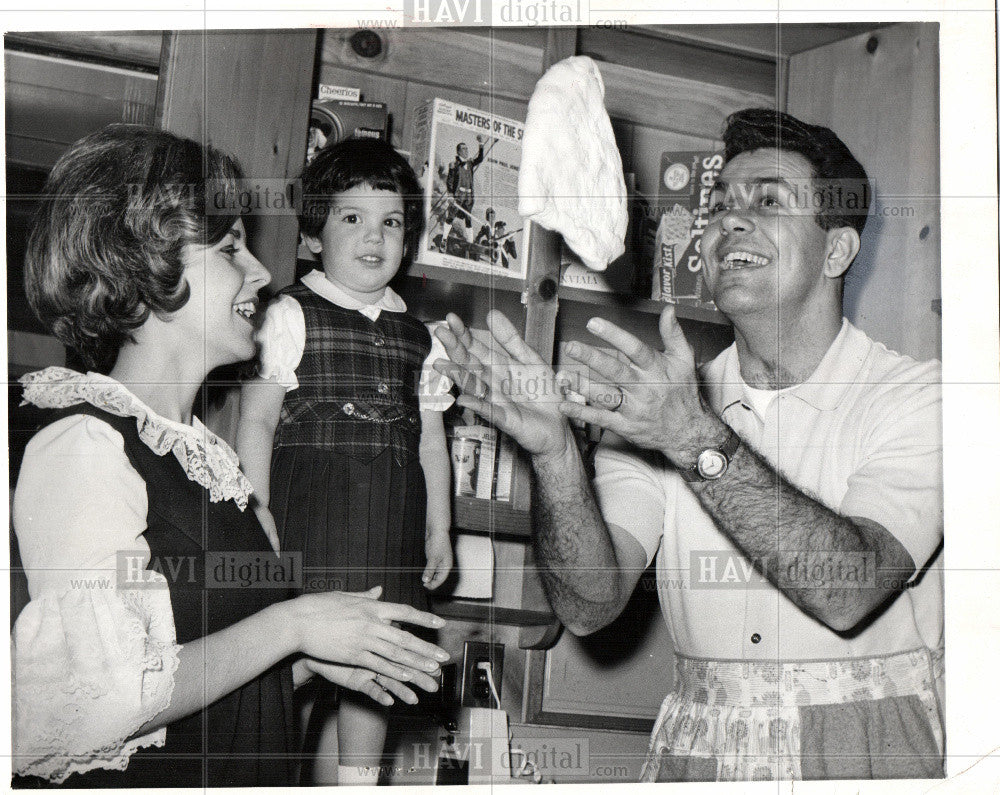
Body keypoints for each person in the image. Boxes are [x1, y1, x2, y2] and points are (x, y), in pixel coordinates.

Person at [434, 108, 943, 782]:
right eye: (721, 203)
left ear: (839, 250)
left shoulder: (922, 398)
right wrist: (555, 454)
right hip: (700, 759)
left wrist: (693, 438)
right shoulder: (662, 403)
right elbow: (589, 604)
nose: (729, 219)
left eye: (767, 199)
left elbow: (847, 588)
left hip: (868, 754)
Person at [11, 124, 450, 788]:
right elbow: (89, 704)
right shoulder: (84, 443)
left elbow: (201, 681)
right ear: (143, 265)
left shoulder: (209, 460)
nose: (264, 272)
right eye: (230, 248)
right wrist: (292, 624)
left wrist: (311, 658)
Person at [236, 137, 455, 785]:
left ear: (407, 239)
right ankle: (269, 773)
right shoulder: (288, 313)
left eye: (390, 222)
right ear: (313, 236)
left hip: (389, 528)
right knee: (293, 668)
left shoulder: (423, 338)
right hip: (309, 523)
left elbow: (432, 440)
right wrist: (257, 514)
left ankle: (358, 780)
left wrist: (439, 525)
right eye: (351, 218)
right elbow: (256, 418)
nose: (373, 236)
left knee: (379, 666)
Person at [445, 135, 486, 229]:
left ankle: (470, 241)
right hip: (458, 196)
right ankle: (444, 239)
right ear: (458, 152)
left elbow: (480, 159)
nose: (466, 151)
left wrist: (481, 144)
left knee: (468, 218)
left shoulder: (470, 163)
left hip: (468, 196)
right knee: (451, 216)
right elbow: (450, 180)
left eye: (467, 149)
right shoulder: (454, 164)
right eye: (463, 149)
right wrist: (450, 194)